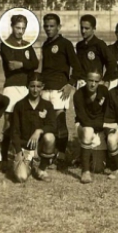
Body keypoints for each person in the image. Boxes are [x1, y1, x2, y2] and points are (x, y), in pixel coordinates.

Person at [41, 13, 83, 167]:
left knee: (60, 123)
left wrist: (70, 84)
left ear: (58, 27)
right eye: (46, 26)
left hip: (60, 90)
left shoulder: (65, 44)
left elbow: (77, 68)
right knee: (46, 123)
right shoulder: (45, 45)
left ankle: (61, 155)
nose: (48, 29)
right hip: (45, 89)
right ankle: (48, 153)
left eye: (52, 26)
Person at [0, 14, 39, 171]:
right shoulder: (5, 44)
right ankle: (3, 158)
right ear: (12, 27)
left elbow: (35, 63)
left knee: (27, 122)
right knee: (8, 124)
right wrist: (26, 64)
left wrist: (22, 63)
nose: (20, 31)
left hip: (25, 87)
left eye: (23, 28)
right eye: (17, 27)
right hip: (11, 87)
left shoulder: (27, 45)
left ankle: (28, 157)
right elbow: (11, 66)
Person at [11, 72, 57, 182]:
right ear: (27, 86)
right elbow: (14, 131)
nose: (35, 90)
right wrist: (18, 152)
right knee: (21, 177)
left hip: (39, 146)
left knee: (50, 137)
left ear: (42, 87)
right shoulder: (19, 105)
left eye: (38, 86)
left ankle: (41, 168)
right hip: (24, 146)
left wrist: (39, 131)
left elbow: (53, 126)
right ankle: (29, 162)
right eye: (32, 86)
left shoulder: (47, 105)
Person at [73, 70, 109, 184]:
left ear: (99, 82)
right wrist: (101, 124)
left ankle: (84, 156)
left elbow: (106, 113)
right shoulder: (78, 94)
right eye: (90, 80)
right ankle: (85, 171)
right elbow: (84, 119)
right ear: (85, 80)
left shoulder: (104, 91)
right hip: (84, 127)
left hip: (98, 129)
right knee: (88, 131)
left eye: (96, 81)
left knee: (98, 168)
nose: (93, 84)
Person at [75, 14, 116, 88]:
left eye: (87, 28)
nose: (83, 31)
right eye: (82, 28)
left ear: (94, 29)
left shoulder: (99, 44)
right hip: (81, 83)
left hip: (94, 84)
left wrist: (104, 80)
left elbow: (112, 63)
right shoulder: (79, 45)